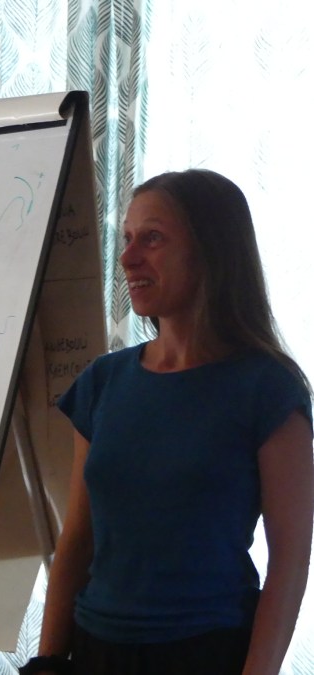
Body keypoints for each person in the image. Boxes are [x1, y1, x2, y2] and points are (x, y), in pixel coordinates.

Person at [19, 169, 313, 675]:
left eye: (152, 238)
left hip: (206, 652)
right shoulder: (103, 382)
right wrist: (47, 660)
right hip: (94, 649)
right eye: (128, 238)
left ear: (211, 252)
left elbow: (290, 560)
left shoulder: (269, 388)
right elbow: (78, 538)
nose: (128, 258)